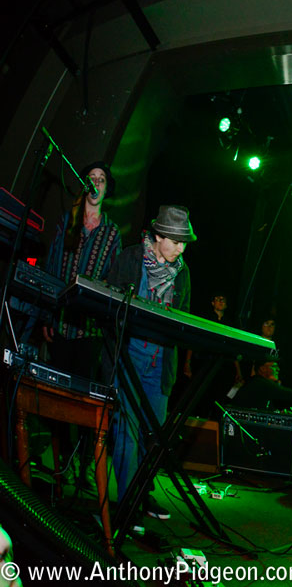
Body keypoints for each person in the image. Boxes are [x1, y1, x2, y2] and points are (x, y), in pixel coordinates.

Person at [106, 205, 195, 521]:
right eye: (176, 241)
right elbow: (108, 299)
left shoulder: (182, 273)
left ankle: (142, 492)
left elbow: (183, 318)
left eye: (184, 243)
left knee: (155, 437)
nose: (181, 249)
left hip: (160, 366)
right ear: (159, 236)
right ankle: (127, 502)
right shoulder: (130, 258)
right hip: (129, 358)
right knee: (126, 434)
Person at [42, 160, 121, 490]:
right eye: (91, 178)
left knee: (87, 400)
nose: (96, 183)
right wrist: (47, 315)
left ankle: (86, 466)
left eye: (101, 179)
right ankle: (62, 461)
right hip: (61, 324)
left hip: (90, 329)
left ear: (106, 188)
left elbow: (114, 281)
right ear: (84, 184)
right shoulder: (67, 221)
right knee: (58, 396)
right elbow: (51, 268)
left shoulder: (112, 233)